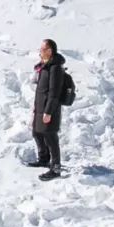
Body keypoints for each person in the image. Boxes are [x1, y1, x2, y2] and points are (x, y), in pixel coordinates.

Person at [30, 37, 66, 180]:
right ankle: (44, 159)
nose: (40, 52)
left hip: (49, 108)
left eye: (42, 49)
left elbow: (54, 92)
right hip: (40, 107)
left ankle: (56, 168)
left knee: (51, 137)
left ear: (50, 51)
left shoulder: (55, 68)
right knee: (37, 132)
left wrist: (48, 111)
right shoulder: (44, 66)